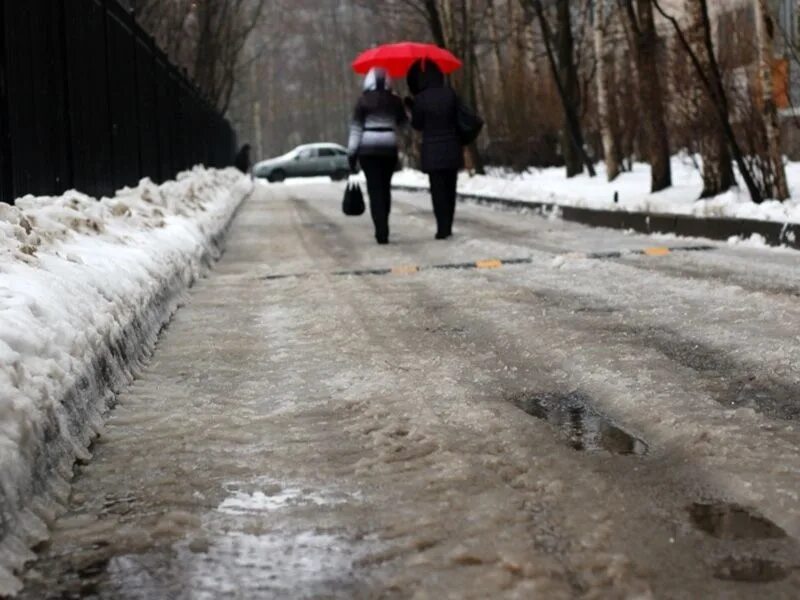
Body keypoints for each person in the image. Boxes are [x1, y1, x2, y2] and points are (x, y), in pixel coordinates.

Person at [347, 67, 407, 244]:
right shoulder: (395, 101)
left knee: (374, 189)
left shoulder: (363, 101)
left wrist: (352, 153)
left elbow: (356, 129)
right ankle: (385, 222)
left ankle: (380, 228)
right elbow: (404, 125)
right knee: (385, 187)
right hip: (388, 149)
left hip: (368, 150)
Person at [406, 60, 463, 240]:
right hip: (452, 147)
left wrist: (411, 107)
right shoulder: (450, 94)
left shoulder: (421, 99)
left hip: (432, 151)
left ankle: (442, 227)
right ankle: (449, 224)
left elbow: (417, 125)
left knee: (438, 191)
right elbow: (458, 117)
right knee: (450, 189)